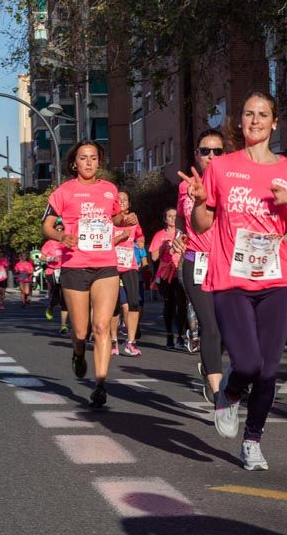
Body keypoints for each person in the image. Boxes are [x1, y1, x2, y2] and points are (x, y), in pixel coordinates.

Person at [180, 92, 287, 471]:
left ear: (275, 123)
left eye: (263, 115)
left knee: (268, 370)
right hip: (231, 277)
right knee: (246, 364)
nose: (256, 120)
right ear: (240, 122)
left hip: (277, 280)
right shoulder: (222, 168)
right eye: (249, 114)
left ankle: (252, 441)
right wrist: (199, 201)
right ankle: (228, 393)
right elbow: (203, 224)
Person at [43, 140, 138, 408]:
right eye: (83, 158)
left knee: (102, 326)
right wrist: (63, 235)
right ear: (74, 163)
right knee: (82, 331)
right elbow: (47, 226)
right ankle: (78, 352)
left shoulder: (109, 190)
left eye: (93, 158)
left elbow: (116, 218)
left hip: (105, 264)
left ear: (99, 162)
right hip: (75, 265)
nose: (88, 163)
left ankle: (99, 383)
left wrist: (125, 220)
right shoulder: (63, 192)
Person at [178, 129, 228, 400]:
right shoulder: (185, 186)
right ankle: (217, 388)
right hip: (195, 261)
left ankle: (210, 366)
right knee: (209, 326)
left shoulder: (232, 185)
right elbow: (180, 220)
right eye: (205, 151)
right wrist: (178, 238)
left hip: (227, 264)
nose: (211, 156)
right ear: (197, 155)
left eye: (217, 151)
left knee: (225, 329)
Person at [111, 190, 145, 356]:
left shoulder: (134, 220)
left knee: (133, 303)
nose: (122, 201)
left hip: (129, 265)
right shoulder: (109, 220)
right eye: (119, 199)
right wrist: (120, 237)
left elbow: (140, 236)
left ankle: (130, 342)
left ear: (129, 203)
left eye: (125, 199)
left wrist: (140, 241)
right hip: (111, 266)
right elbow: (103, 243)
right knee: (114, 306)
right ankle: (113, 341)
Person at [149, 208, 188, 350]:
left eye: (175, 216)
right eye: (169, 216)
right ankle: (170, 335)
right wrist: (164, 247)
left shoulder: (183, 235)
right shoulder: (160, 235)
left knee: (182, 305)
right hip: (166, 274)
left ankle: (181, 336)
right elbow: (153, 257)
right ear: (165, 219)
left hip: (182, 272)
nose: (172, 218)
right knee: (169, 305)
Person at [40, 237, 68, 330]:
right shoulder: (49, 243)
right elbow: (41, 257)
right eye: (58, 228)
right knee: (56, 292)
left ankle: (63, 325)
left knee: (65, 298)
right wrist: (52, 258)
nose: (60, 230)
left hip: (65, 271)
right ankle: (51, 306)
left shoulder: (68, 241)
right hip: (52, 271)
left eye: (62, 228)